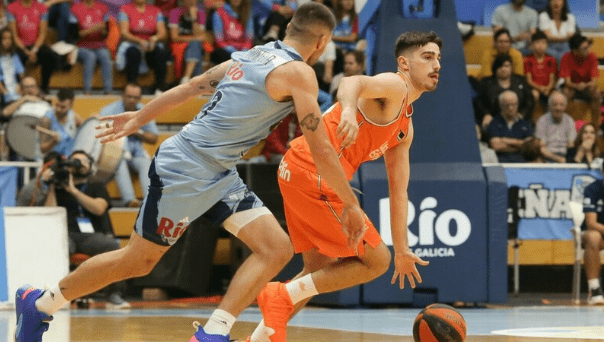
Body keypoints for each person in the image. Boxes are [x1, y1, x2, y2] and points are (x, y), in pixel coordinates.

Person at [14, 3, 366, 342]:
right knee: (137, 262)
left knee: (275, 248)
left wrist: (139, 117)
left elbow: (192, 86)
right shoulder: (299, 72)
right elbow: (319, 146)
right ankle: (40, 303)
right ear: (322, 42)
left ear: (289, 28)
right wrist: (349, 203)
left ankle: (213, 332)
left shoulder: (252, 54)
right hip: (186, 168)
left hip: (218, 171)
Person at [248, 30, 437, 342]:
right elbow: (352, 82)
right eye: (427, 57)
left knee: (317, 269)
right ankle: (279, 295)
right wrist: (349, 108)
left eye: (438, 58)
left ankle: (257, 339)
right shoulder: (396, 85)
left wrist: (403, 249)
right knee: (377, 261)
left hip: (295, 169)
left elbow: (398, 190)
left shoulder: (405, 127)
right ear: (404, 63)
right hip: (315, 171)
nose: (436, 64)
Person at [45, 150, 130, 309]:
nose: (78, 165)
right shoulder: (58, 187)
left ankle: (114, 295)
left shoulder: (96, 186)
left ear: (90, 166)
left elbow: (99, 208)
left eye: (83, 162)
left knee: (111, 246)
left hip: (90, 236)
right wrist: (52, 186)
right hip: (65, 234)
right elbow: (49, 214)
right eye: (74, 161)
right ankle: (55, 295)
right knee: (55, 247)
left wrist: (74, 191)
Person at [99, 83, 158, 207]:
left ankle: (151, 201)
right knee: (118, 163)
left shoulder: (145, 111)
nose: (132, 100)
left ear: (140, 98)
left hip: (137, 153)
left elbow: (154, 138)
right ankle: (130, 201)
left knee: (146, 164)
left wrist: (137, 132)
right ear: (122, 95)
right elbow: (101, 133)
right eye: (129, 96)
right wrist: (120, 130)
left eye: (135, 97)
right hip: (115, 151)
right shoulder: (109, 111)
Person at [116, 0, 170, 94]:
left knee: (160, 52)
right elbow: (124, 33)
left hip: (150, 43)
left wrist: (154, 39)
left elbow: (163, 33)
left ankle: (160, 87)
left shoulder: (155, 10)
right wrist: (139, 41)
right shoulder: (125, 9)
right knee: (133, 52)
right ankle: (131, 86)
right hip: (132, 42)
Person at [7, 0, 58, 93]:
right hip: (20, 46)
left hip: (36, 45)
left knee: (50, 56)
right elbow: (14, 36)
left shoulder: (41, 8)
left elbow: (42, 34)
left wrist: (34, 50)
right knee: (16, 58)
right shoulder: (11, 7)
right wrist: (26, 51)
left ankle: (44, 87)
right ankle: (18, 90)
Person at [476, 54, 534, 130]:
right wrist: (486, 114)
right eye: (500, 66)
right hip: (494, 119)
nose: (503, 69)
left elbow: (530, 100)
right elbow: (478, 102)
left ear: (511, 68)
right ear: (495, 68)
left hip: (518, 118)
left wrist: (523, 114)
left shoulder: (520, 80)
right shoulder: (486, 83)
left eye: (507, 66)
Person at [71, 0, 114, 95]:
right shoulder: (75, 9)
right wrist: (93, 29)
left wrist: (103, 32)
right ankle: (87, 91)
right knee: (90, 56)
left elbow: (106, 33)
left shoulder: (103, 8)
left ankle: (108, 90)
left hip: (99, 45)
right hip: (81, 46)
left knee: (105, 55)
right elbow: (73, 35)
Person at [559, 34, 601, 128]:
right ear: (575, 51)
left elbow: (594, 81)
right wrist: (577, 86)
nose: (588, 50)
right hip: (572, 87)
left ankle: (596, 126)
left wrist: (584, 85)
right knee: (565, 93)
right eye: (584, 48)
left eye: (588, 47)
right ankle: (565, 125)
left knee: (597, 93)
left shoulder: (592, 56)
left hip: (587, 87)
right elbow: (567, 82)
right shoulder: (566, 57)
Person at [486, 90, 534, 162]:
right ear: (501, 105)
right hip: (500, 163)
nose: (511, 108)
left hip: (523, 163)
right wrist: (521, 144)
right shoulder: (494, 122)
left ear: (517, 104)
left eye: (513, 104)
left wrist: (505, 140)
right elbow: (496, 146)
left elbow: (530, 146)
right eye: (507, 105)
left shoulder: (525, 123)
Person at [168, 0, 207, 84]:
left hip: (195, 45)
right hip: (179, 45)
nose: (191, 1)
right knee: (196, 45)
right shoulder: (175, 12)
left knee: (195, 45)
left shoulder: (201, 14)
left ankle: (186, 78)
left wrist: (194, 18)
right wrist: (194, 39)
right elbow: (174, 37)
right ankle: (197, 83)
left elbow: (201, 36)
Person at [38, 89, 83, 156]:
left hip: (68, 159)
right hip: (51, 159)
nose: (58, 109)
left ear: (71, 104)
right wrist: (53, 142)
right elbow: (42, 149)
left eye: (63, 107)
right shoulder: (46, 119)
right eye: (57, 105)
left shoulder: (75, 118)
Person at [534, 90, 575, 162]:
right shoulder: (542, 121)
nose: (558, 108)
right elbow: (541, 147)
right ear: (549, 106)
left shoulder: (569, 120)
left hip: (565, 156)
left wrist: (568, 160)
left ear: (565, 107)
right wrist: (558, 159)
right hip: (548, 158)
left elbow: (571, 144)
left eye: (561, 105)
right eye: (555, 105)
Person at [582, 176, 604, 305]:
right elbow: (591, 223)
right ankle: (594, 289)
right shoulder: (593, 189)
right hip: (596, 234)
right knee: (593, 236)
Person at [210, 0, 253, 65]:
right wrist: (233, 52)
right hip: (225, 49)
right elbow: (219, 40)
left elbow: (249, 39)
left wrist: (244, 50)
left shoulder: (247, 13)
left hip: (243, 50)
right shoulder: (219, 13)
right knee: (222, 55)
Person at [524, 30, 557, 107]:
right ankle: (535, 117)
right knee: (535, 94)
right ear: (532, 45)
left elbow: (552, 79)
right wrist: (540, 88)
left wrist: (548, 88)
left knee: (556, 97)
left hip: (548, 88)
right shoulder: (527, 59)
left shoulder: (551, 59)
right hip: (534, 88)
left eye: (543, 43)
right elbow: (529, 81)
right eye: (538, 42)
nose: (541, 45)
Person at [538, 0, 575, 65]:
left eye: (559, 0)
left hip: (566, 45)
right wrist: (564, 37)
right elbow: (547, 37)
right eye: (553, 0)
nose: (556, 2)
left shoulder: (570, 17)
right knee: (559, 57)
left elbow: (570, 36)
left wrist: (554, 37)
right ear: (549, 3)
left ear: (564, 3)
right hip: (549, 45)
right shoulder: (543, 16)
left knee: (567, 55)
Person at [0, 27, 25, 106]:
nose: (8, 41)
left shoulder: (15, 56)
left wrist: (20, 86)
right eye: (4, 39)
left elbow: (22, 75)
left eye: (10, 39)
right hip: (3, 90)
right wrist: (5, 93)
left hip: (15, 89)